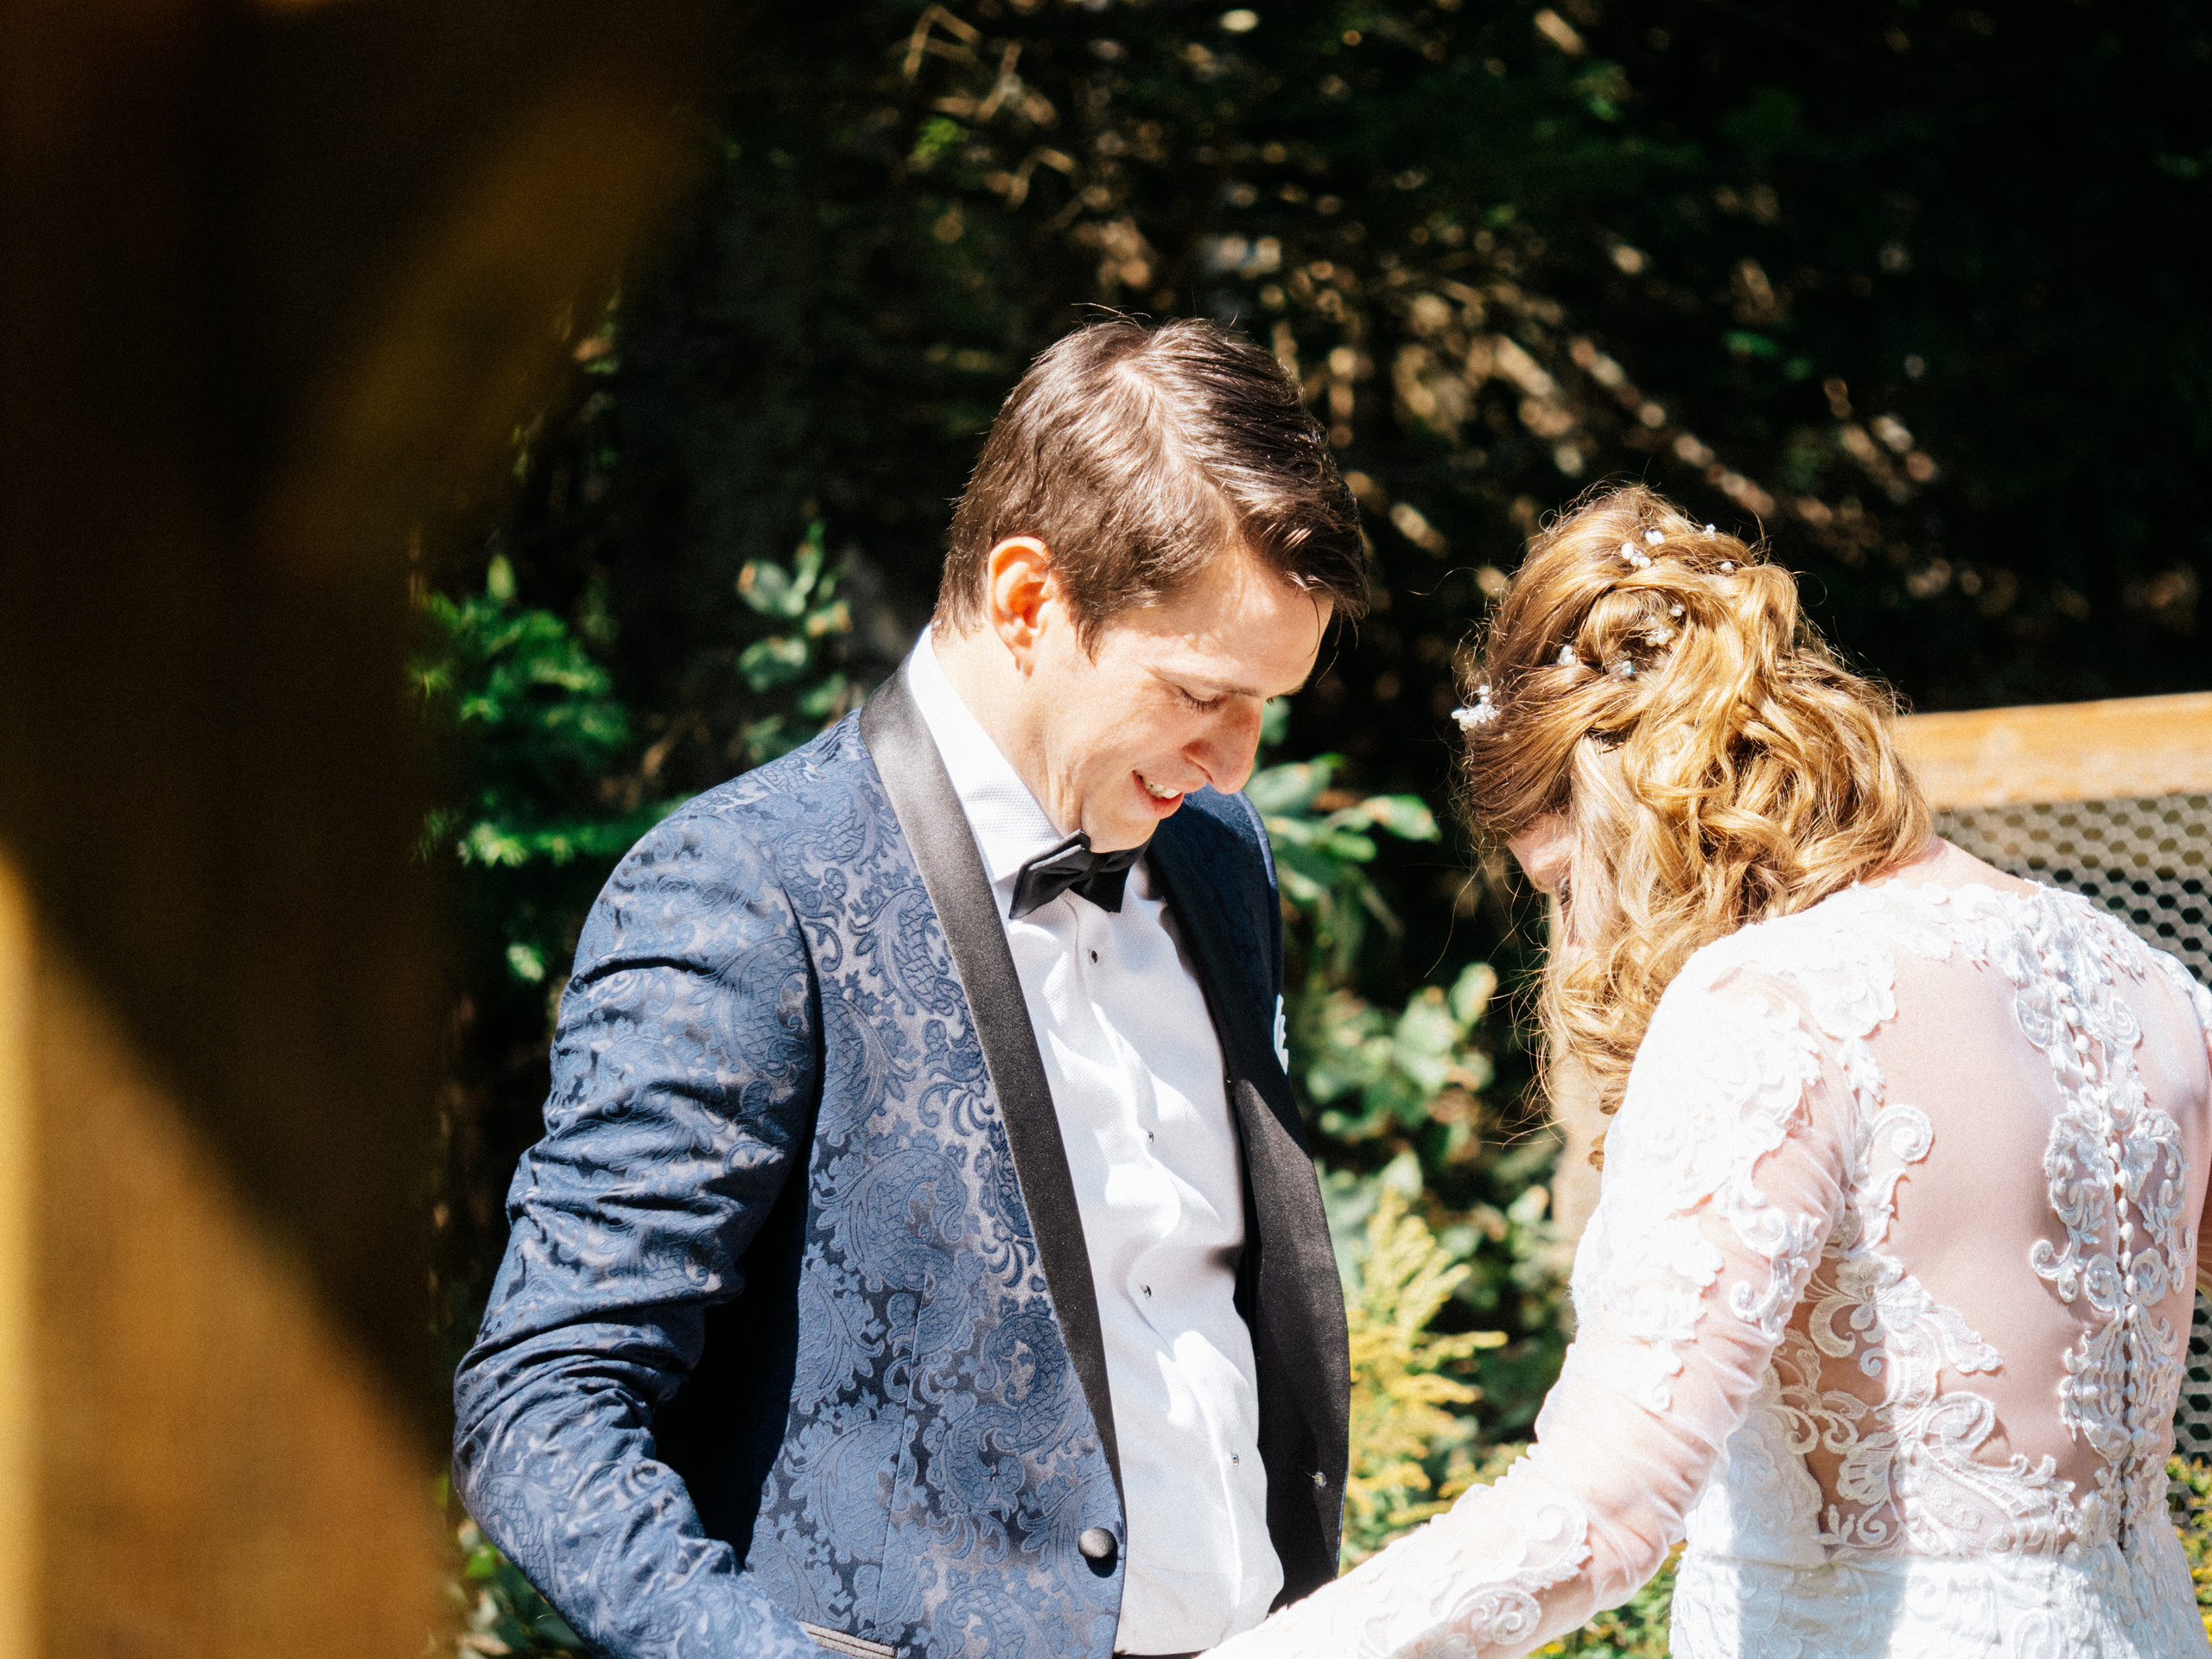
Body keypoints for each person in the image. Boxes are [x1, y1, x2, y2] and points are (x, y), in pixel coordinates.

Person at [451, 318, 1367, 1659]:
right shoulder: (745, 887)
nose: (1233, 764)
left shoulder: (1217, 858)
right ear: (1024, 598)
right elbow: (542, 1403)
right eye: (1197, 693)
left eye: (1265, 707)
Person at [1210, 483, 2212, 1658]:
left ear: (1625, 805)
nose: (1576, 947)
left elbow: (1599, 1512)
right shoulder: (2143, 978)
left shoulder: (1773, 1009)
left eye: (1561, 887)